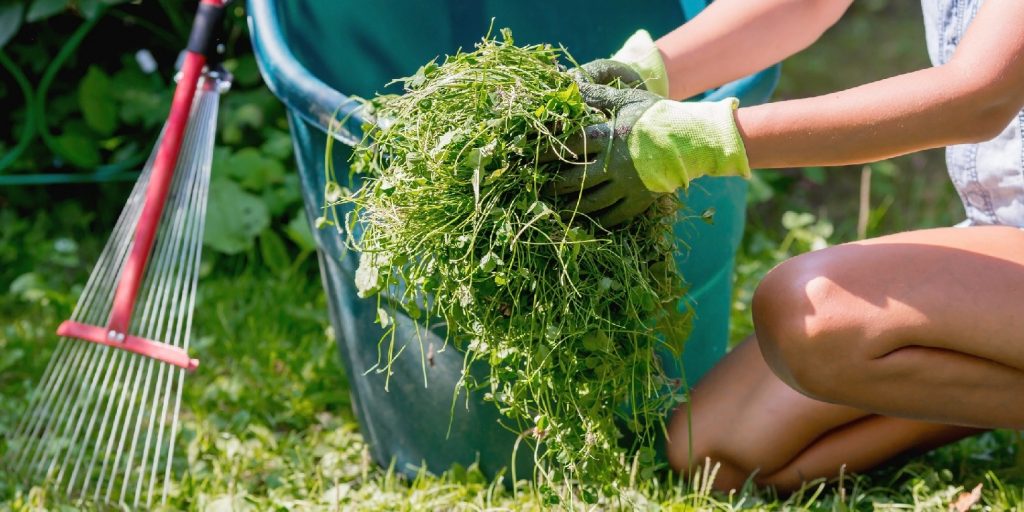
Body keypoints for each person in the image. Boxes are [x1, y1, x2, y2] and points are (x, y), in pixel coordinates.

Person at [547, 0, 1024, 491]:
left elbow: (979, 97)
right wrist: (643, 71)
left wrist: (700, 141)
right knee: (710, 450)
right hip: (1004, 236)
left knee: (810, 312)